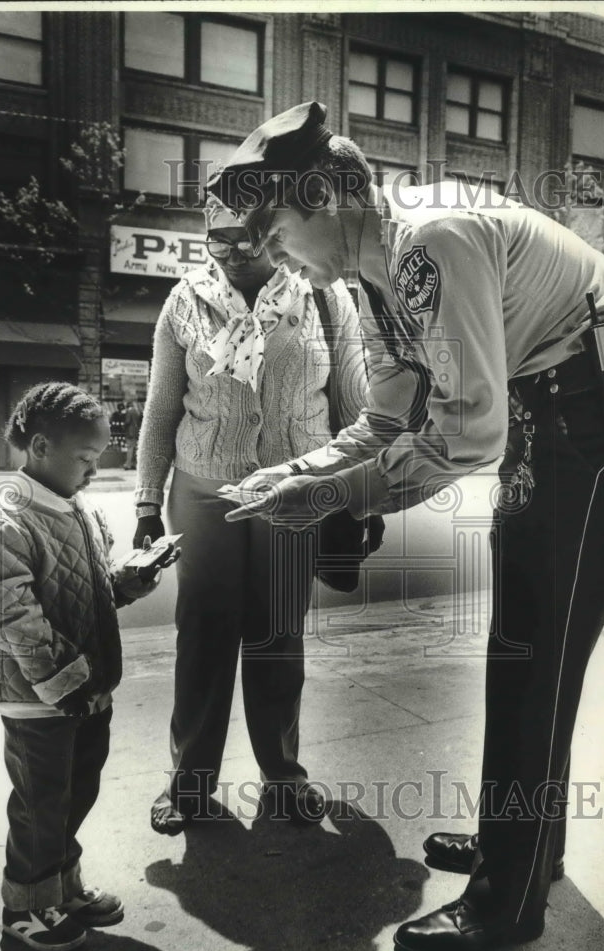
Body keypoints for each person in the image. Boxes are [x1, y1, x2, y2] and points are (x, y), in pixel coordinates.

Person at [207, 102, 604, 951]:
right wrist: (301, 475)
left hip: (590, 422)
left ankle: (507, 899)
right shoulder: (378, 274)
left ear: (327, 199)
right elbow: (390, 417)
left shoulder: (427, 245)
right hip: (551, 412)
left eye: (280, 234)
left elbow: (466, 436)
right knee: (525, 654)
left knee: (532, 659)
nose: (280, 259)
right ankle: (521, 848)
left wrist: (341, 501)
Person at [133, 194, 374, 836]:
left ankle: (283, 778)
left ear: (274, 233)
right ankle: (190, 786)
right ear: (204, 238)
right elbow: (161, 413)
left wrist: (357, 495)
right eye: (220, 239)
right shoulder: (183, 302)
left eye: (250, 237)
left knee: (278, 638)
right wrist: (145, 503)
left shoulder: (325, 298)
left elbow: (353, 405)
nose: (236, 251)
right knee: (203, 637)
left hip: (294, 494)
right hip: (205, 492)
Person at [0, 381, 179, 951]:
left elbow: (88, 586)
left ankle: (62, 886)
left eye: (97, 459)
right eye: (84, 459)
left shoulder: (73, 507)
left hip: (81, 689)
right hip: (38, 697)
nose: (92, 470)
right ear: (39, 446)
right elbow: (11, 617)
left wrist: (126, 584)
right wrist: (64, 684)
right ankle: (25, 908)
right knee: (41, 802)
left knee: (75, 790)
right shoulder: (5, 521)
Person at [123, 400, 141, 469]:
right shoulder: (136, 411)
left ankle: (128, 465)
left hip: (130, 432)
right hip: (136, 432)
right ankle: (134, 464)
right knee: (134, 449)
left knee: (129, 448)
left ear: (127, 406)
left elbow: (127, 421)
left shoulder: (129, 411)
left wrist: (123, 426)